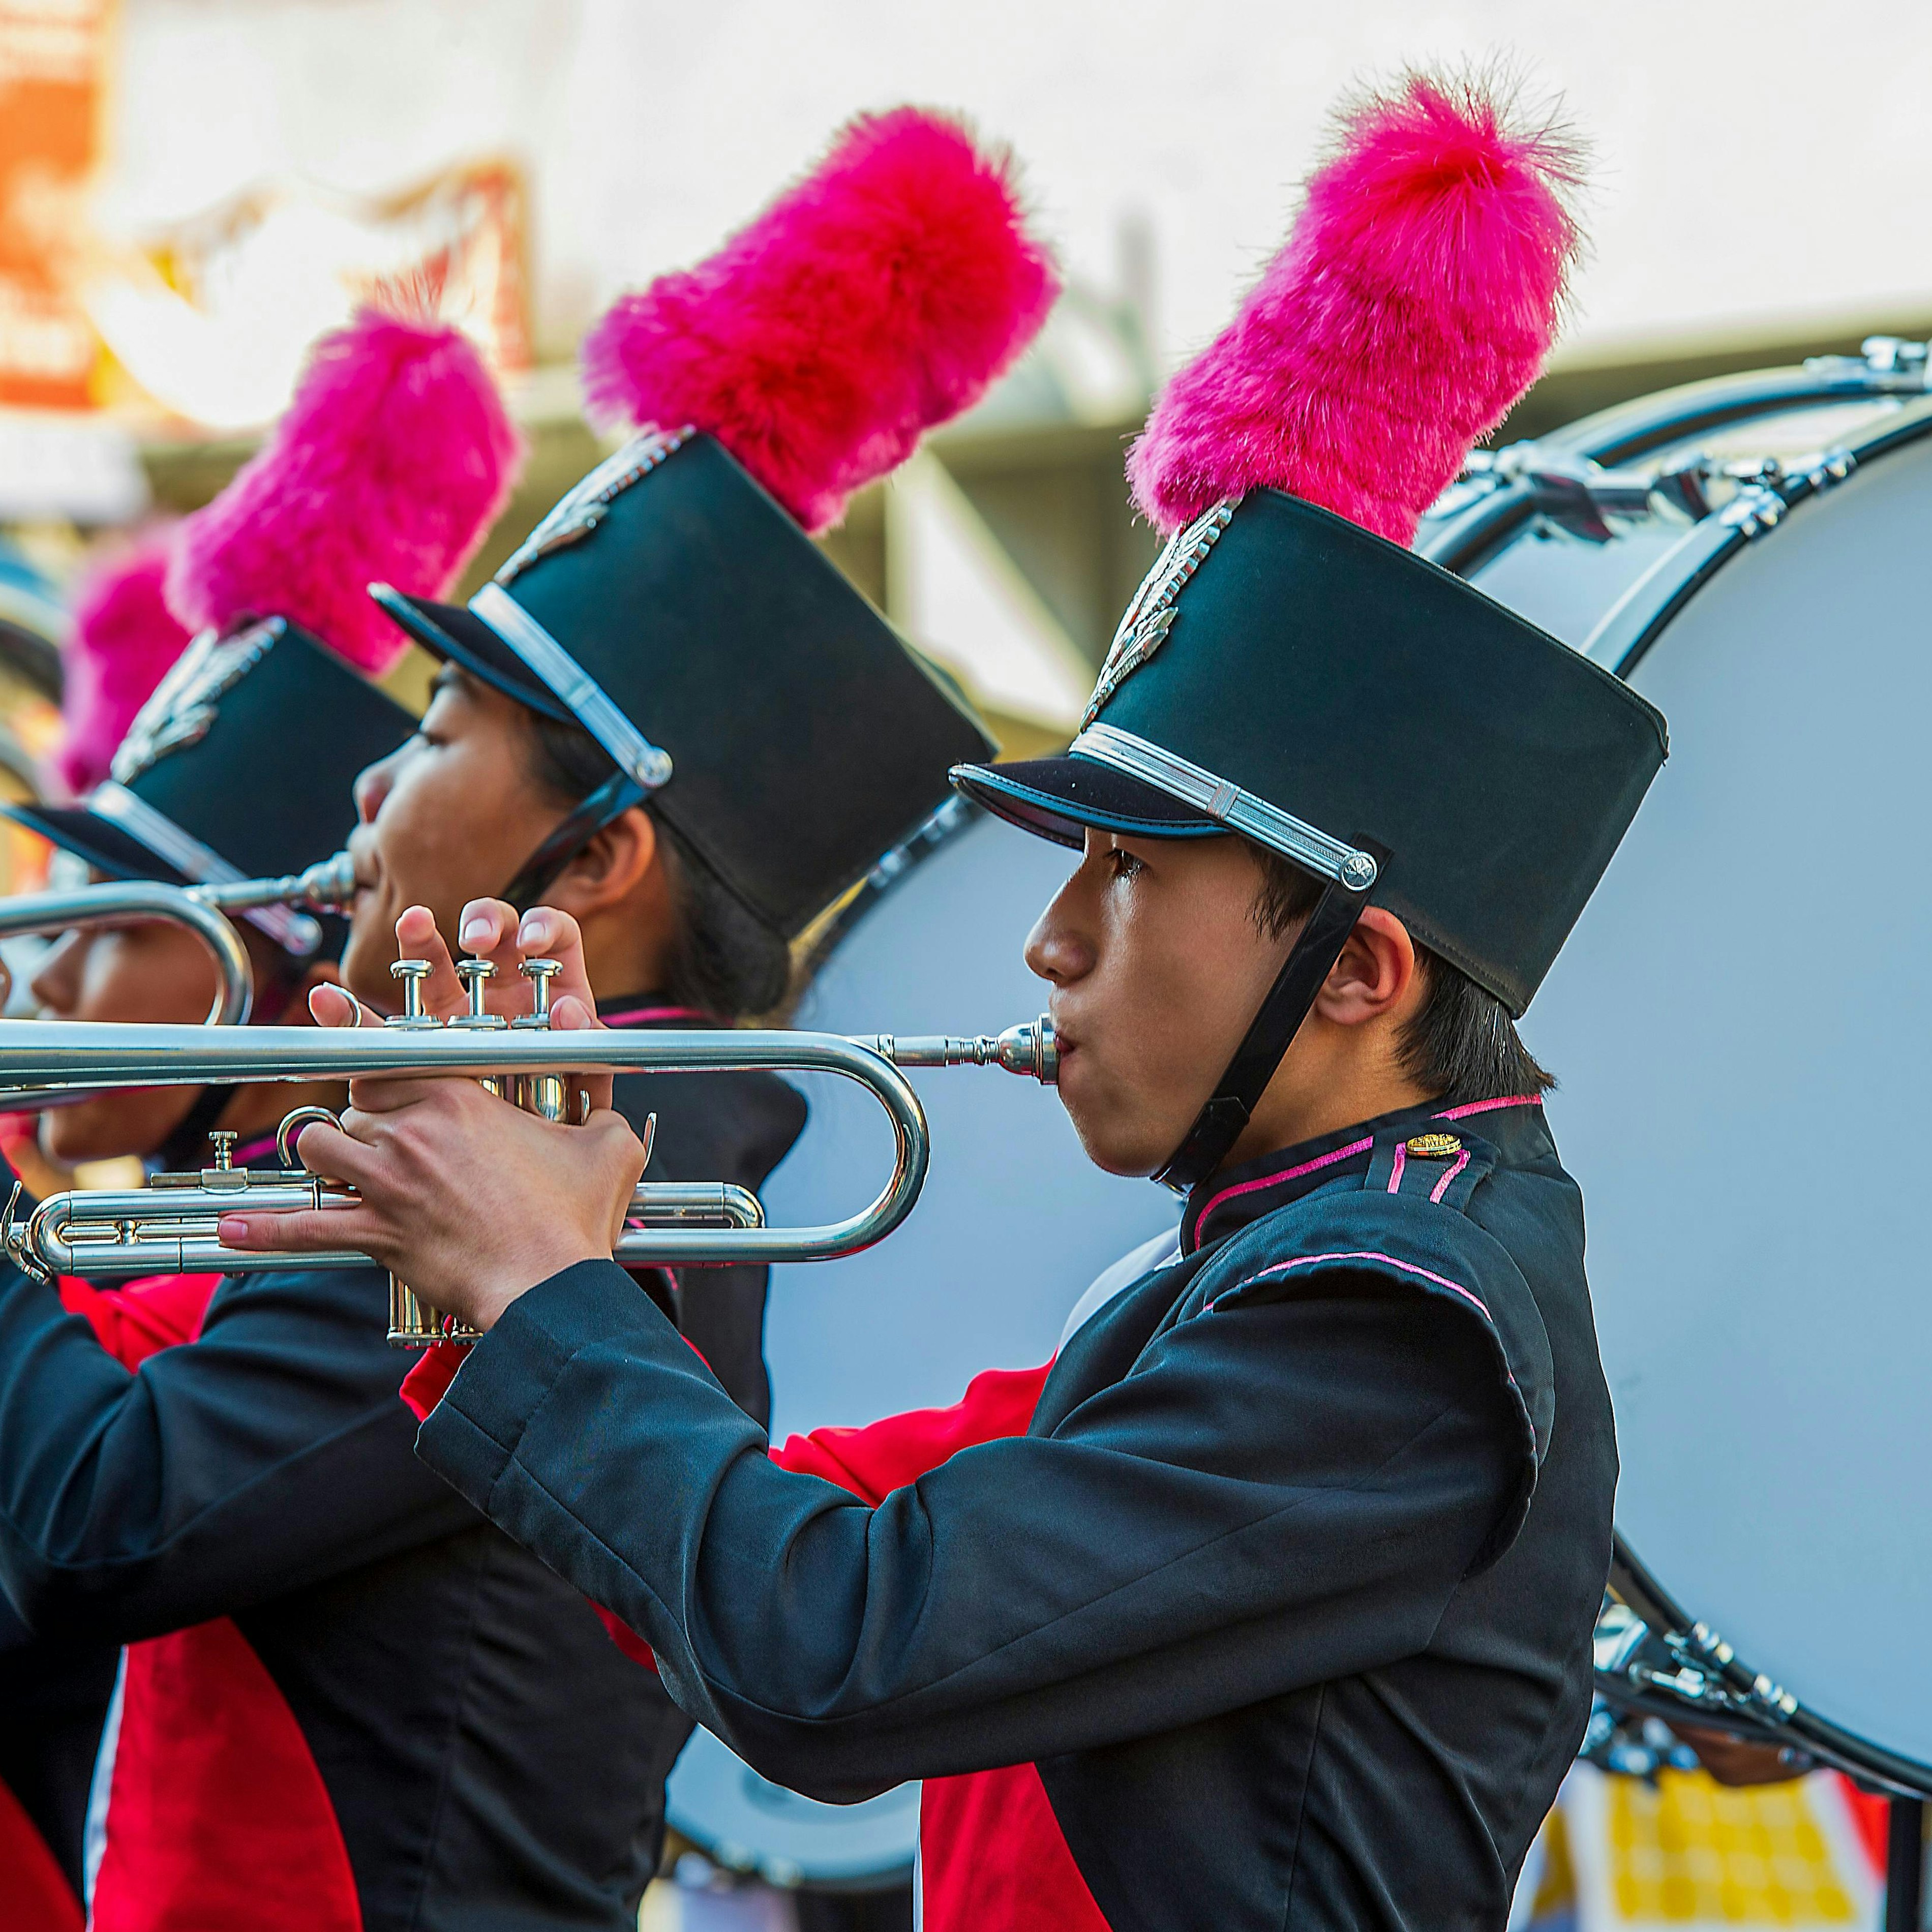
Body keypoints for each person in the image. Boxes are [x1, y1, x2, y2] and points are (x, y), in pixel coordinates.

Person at [230, 75, 1671, 1930]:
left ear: (1362, 973)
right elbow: (777, 1545)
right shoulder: (1283, 1257)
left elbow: (834, 1659)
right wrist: (546, 1265)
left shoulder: (1391, 1328)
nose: (1047, 944)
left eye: (1126, 877)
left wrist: (548, 1291)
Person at [0, 111, 1044, 1932]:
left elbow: (110, 1524)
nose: (363, 795)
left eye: (429, 736)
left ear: (600, 856)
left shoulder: (527, 1139)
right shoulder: (567, 1115)